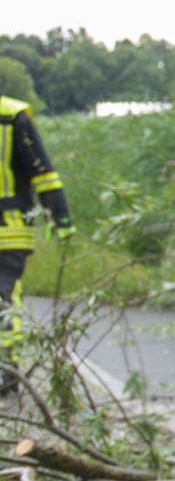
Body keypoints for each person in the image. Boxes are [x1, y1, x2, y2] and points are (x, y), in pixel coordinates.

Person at [0, 95, 74, 394]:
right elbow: (42, 173)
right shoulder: (12, 115)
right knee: (4, 300)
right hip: (10, 229)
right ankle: (6, 375)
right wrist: (61, 218)